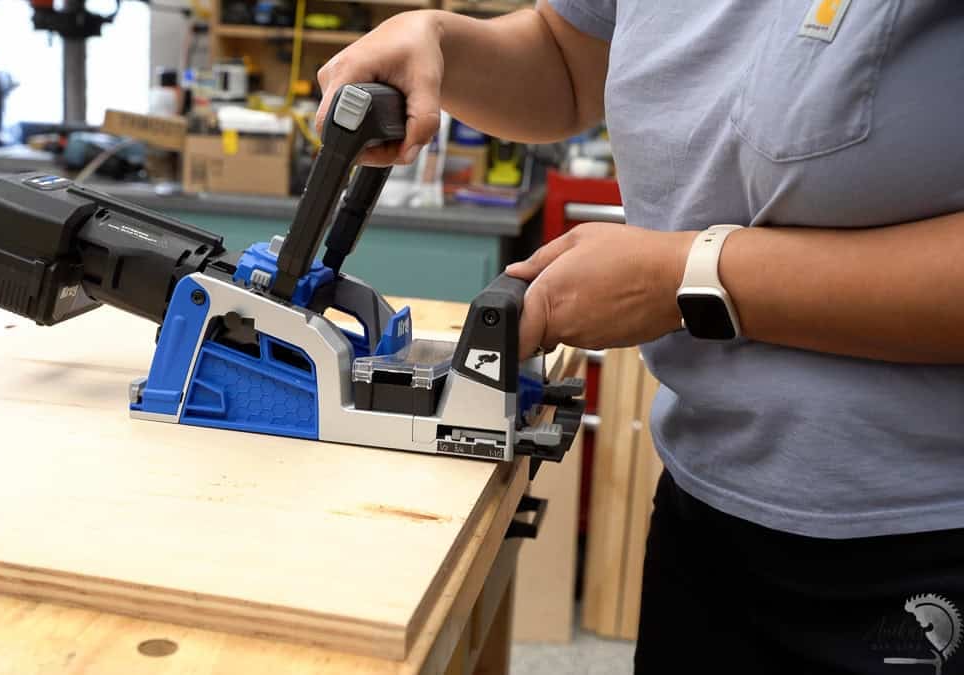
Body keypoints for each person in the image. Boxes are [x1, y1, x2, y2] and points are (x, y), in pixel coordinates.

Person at [316, 3, 964, 672]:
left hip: (926, 551)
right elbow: (569, 64)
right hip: (709, 517)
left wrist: (688, 276)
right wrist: (442, 41)